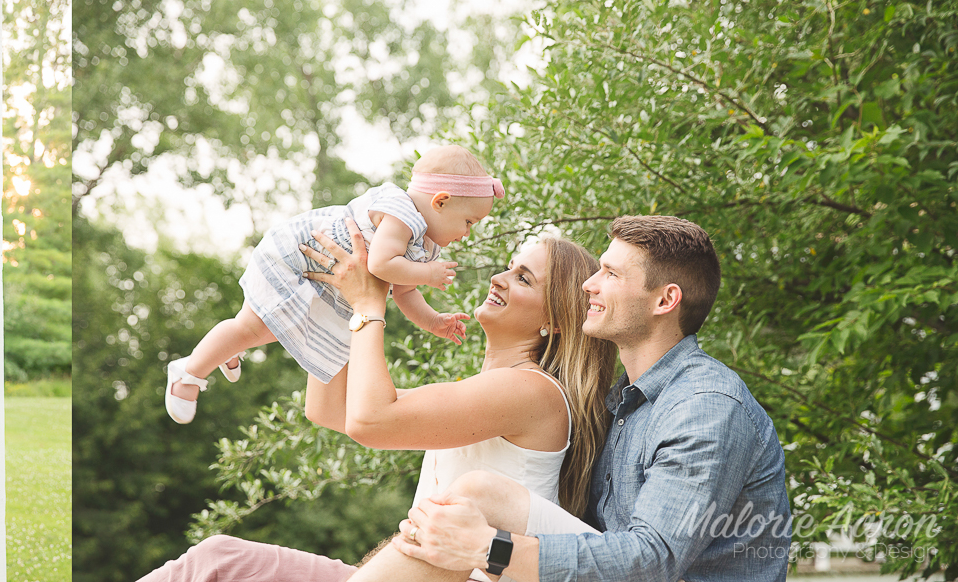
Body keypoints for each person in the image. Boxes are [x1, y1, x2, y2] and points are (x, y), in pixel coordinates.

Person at [138, 218, 618, 582]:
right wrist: (339, 301)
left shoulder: (530, 390)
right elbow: (331, 410)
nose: (500, 277)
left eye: (524, 279)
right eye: (511, 268)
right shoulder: (490, 387)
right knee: (218, 557)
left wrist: (370, 304)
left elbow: (370, 421)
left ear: (553, 323)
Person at [358, 216, 792, 582]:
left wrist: (490, 551)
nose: (589, 284)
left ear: (665, 300)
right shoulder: (621, 403)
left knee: (480, 493)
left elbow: (655, 559)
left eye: (611, 274)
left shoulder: (705, 407)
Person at [164, 145, 503, 424]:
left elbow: (403, 290)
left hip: (326, 281)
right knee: (250, 327)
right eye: (469, 221)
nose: (467, 233)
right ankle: (187, 372)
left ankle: (226, 350)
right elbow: (380, 265)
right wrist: (428, 274)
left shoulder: (423, 241)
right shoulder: (401, 214)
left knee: (261, 330)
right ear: (440, 201)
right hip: (298, 262)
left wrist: (432, 320)